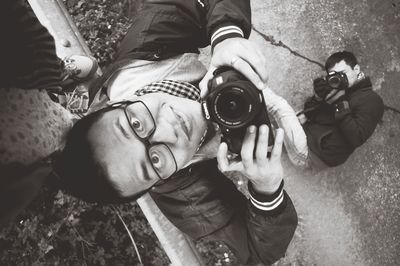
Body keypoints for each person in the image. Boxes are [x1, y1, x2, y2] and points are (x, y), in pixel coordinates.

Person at [55, 0, 298, 264]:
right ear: (156, 184)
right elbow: (258, 252)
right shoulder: (179, 192)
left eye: (136, 124)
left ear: (120, 102)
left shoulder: (146, 44)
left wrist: (227, 35)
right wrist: (266, 189)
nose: (168, 132)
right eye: (155, 161)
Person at [0, 0, 97, 227]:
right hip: (21, 152)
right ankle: (64, 109)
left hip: (19, 84)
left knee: (35, 65)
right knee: (52, 134)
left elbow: (28, 38)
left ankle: (57, 82)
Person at [301, 51, 384, 168]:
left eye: (343, 73)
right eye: (335, 76)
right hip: (308, 139)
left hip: (318, 153)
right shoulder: (335, 89)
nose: (340, 79)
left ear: (356, 69)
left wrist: (340, 103)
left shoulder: (372, 100)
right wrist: (317, 97)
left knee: (279, 107)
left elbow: (357, 137)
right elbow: (309, 114)